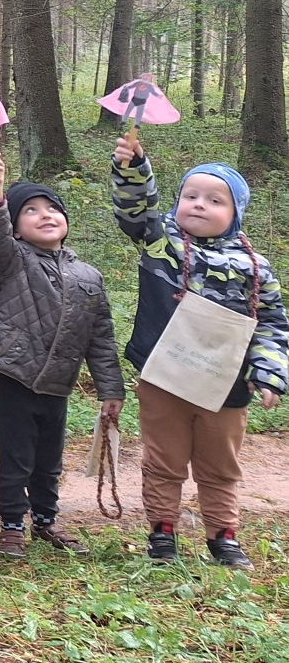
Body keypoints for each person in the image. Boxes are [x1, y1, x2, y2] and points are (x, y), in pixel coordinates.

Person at [112, 134, 289, 568]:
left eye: (214, 200)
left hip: (225, 383)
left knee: (220, 464)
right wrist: (134, 168)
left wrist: (269, 371)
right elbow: (137, 213)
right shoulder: (162, 245)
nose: (199, 204)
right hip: (165, 376)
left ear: (235, 214)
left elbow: (272, 321)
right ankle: (162, 532)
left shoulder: (256, 266)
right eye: (190, 195)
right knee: (164, 459)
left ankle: (223, 536)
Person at [0, 146, 124, 558]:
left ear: (66, 221)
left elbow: (101, 337)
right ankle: (10, 524)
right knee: (16, 456)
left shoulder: (88, 276)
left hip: (59, 381)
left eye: (52, 208)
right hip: (17, 376)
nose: (45, 215)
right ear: (17, 228)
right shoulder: (13, 260)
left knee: (49, 458)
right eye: (31, 210)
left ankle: (45, 520)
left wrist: (110, 389)